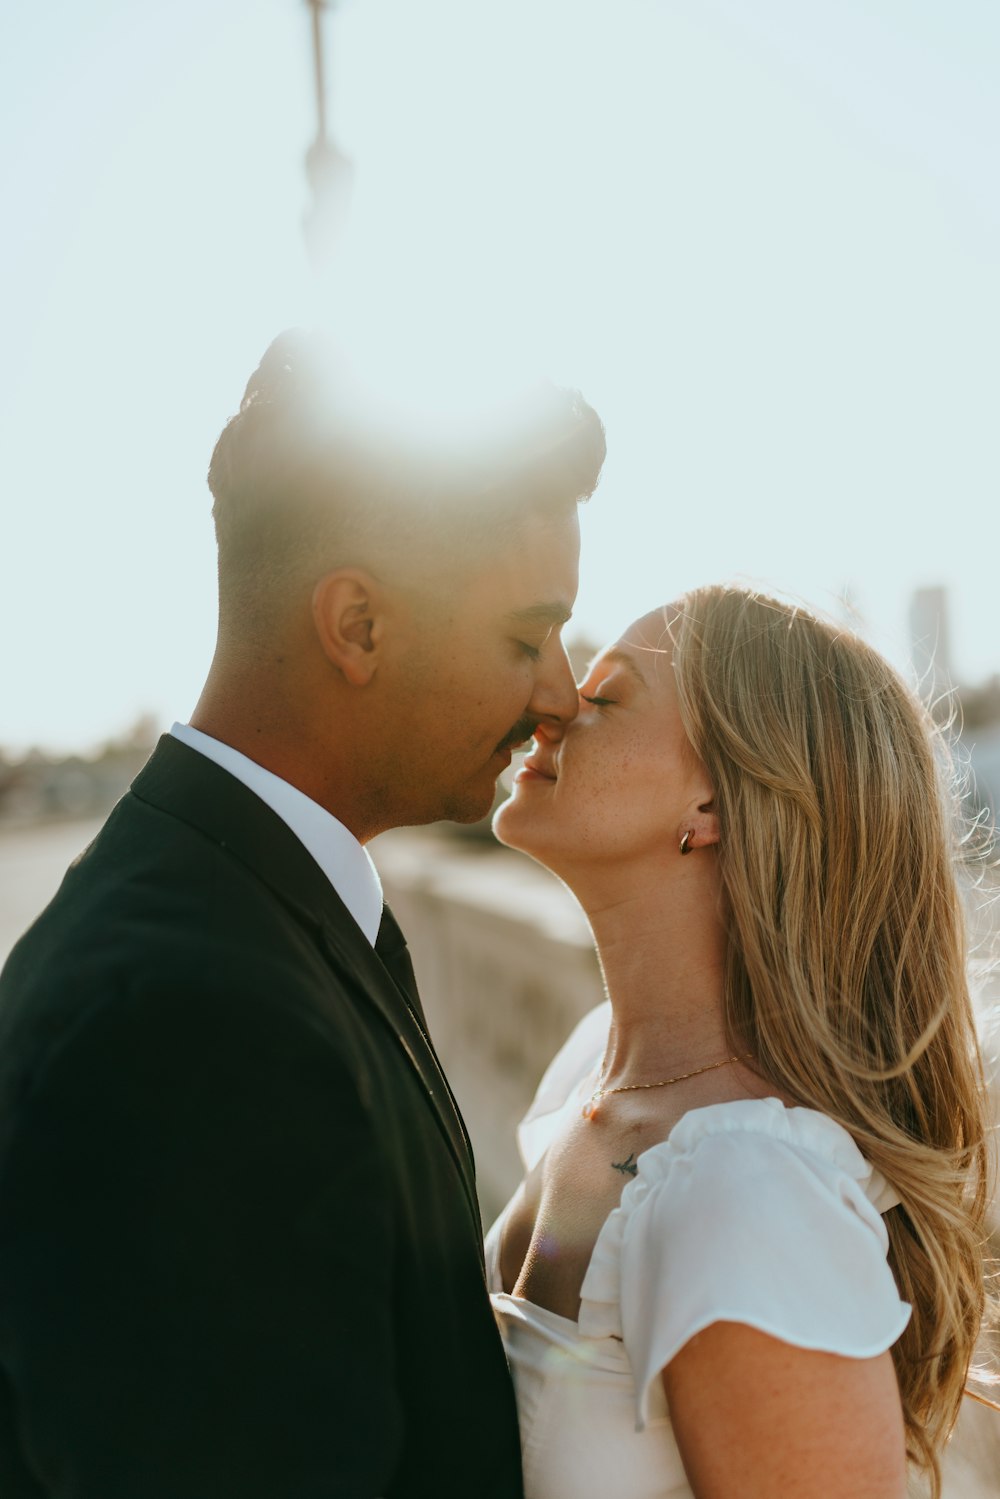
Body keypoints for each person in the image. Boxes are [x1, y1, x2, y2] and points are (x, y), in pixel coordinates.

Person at [0, 332, 605, 1498]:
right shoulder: (191, 1030)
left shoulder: (247, 906)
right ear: (358, 627)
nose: (559, 693)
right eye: (525, 635)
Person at [488, 586, 993, 1499]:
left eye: (605, 699)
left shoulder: (746, 1194)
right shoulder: (595, 1070)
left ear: (712, 799)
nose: (551, 706)